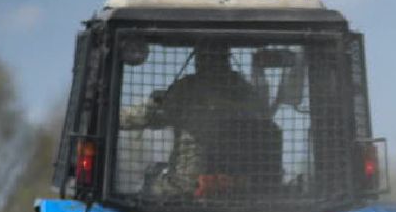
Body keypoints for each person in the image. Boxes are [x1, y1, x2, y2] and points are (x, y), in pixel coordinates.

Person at [120, 42, 281, 197]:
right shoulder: (244, 90)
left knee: (148, 189)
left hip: (186, 186)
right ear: (226, 58)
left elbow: (144, 118)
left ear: (199, 59)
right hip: (238, 186)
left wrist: (152, 104)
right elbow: (263, 119)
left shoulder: (186, 89)